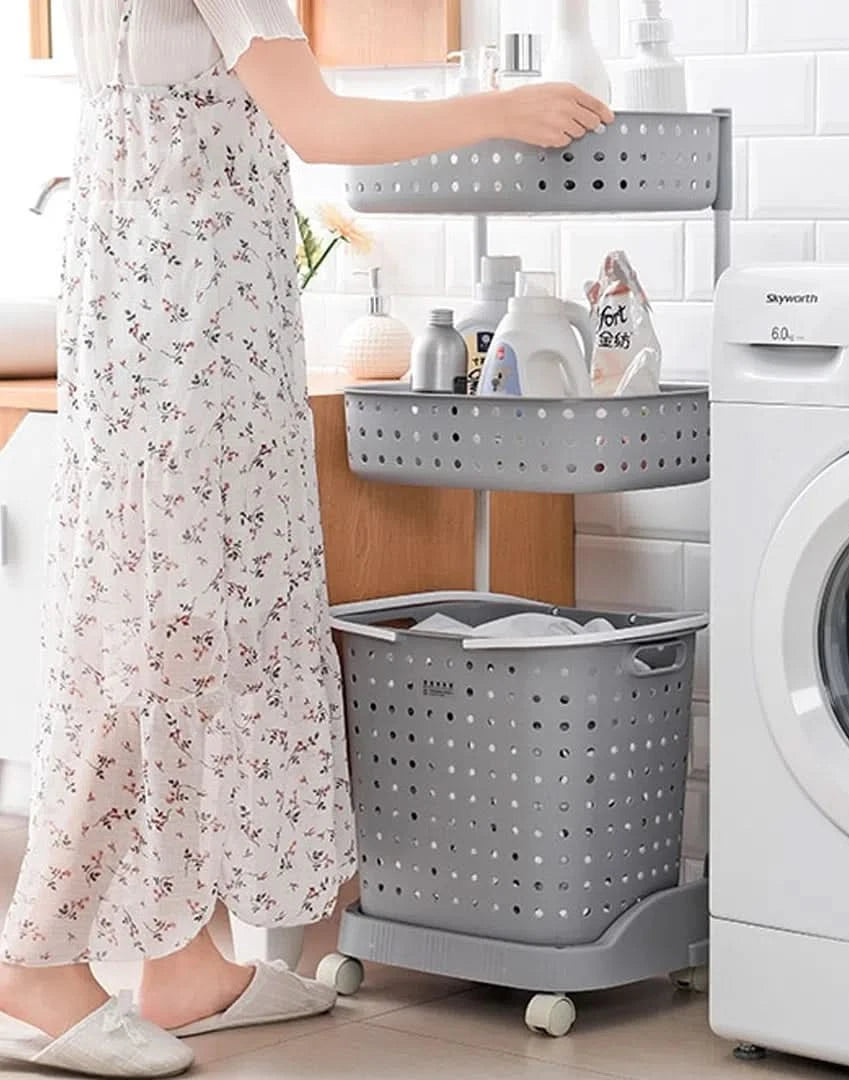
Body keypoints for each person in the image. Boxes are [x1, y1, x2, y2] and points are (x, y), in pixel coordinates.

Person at [0, 1, 613, 1075]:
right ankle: (40, 958)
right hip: (193, 330)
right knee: (160, 631)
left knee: (174, 626)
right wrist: (506, 107)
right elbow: (319, 124)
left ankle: (188, 960)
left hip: (148, 311)